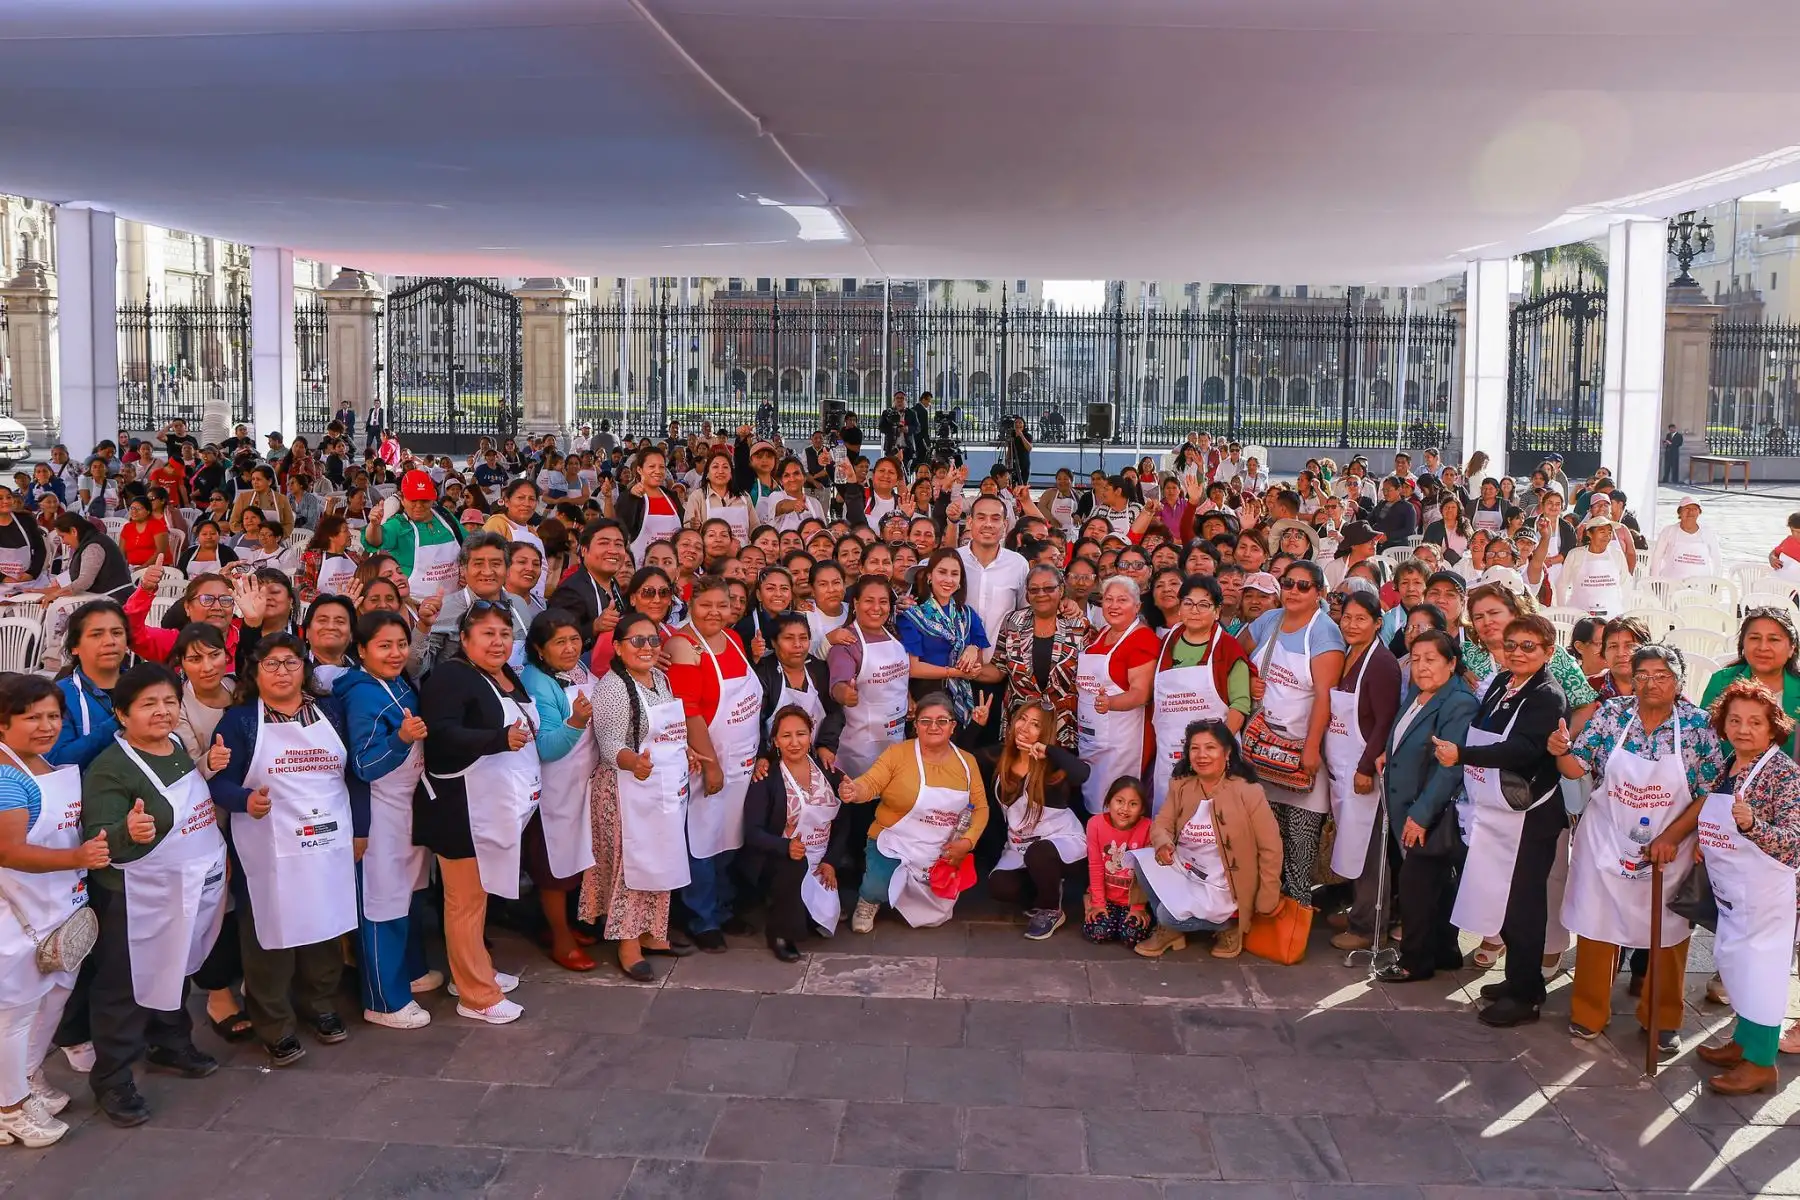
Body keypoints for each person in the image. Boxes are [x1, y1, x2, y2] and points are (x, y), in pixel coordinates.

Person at [1550, 644, 1724, 1054]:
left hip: (1669, 847)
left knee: (1668, 932)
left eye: (1662, 675)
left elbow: (1708, 793)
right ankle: (1589, 1011)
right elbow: (1578, 766)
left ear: (1679, 681)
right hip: (1606, 839)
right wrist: (1560, 752)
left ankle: (1662, 1018)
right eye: (1643, 674)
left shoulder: (1698, 726)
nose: (1650, 683)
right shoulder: (1613, 714)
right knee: (1597, 924)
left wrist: (1673, 837)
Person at [79, 663, 227, 1126]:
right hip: (134, 894)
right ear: (122, 714)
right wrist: (127, 831)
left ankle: (169, 1040)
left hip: (185, 885)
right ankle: (113, 1078)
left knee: (176, 964)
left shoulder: (178, 746)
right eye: (148, 705)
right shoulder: (111, 769)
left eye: (168, 702)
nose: (162, 712)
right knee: (124, 984)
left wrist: (208, 766)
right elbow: (100, 839)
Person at [206, 634, 362, 1066]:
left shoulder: (331, 711)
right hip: (269, 844)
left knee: (326, 926)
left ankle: (321, 1005)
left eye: (290, 663)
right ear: (255, 672)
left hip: (328, 839)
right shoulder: (238, 722)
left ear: (304, 668)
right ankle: (274, 1023)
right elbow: (219, 782)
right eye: (271, 665)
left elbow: (354, 775)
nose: (282, 672)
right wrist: (244, 800)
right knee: (268, 936)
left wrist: (361, 829)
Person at [1439, 612, 1569, 1027]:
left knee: (1524, 906)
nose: (1517, 653)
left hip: (1529, 817)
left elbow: (1524, 750)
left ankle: (1527, 995)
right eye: (1511, 645)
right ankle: (1518, 981)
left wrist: (1464, 756)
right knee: (1503, 899)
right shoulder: (1501, 683)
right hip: (1494, 810)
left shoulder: (1548, 696)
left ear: (1548, 652)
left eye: (1528, 646)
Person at [415, 602, 541, 1024]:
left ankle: (473, 970)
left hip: (496, 806)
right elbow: (443, 735)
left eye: (504, 634)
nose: (497, 641)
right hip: (459, 809)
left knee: (479, 895)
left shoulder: (505, 676)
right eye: (486, 634)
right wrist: (499, 738)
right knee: (465, 903)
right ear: (464, 640)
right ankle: (476, 995)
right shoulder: (451, 676)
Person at [0, 675, 105, 1146]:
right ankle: (8, 1108)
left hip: (60, 912)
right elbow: (9, 851)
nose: (46, 726)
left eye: (53, 716)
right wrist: (76, 858)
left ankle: (26, 1080)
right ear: (3, 725)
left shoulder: (41, 762)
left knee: (52, 1003)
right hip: (18, 918)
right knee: (16, 1014)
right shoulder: (5, 777)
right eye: (31, 717)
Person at [1688, 680, 1800, 1094]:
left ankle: (1760, 1064)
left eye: (1755, 722)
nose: (1743, 729)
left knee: (1762, 973)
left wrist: (1754, 826)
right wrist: (1706, 843)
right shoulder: (1731, 764)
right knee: (1734, 963)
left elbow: (1793, 840)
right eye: (1734, 720)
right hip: (1735, 894)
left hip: (1771, 896)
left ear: (1773, 728)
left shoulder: (1782, 774)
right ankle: (1743, 1042)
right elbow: (1719, 819)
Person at [334, 611, 437, 1031]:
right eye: (384, 645)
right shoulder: (360, 694)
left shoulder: (396, 683)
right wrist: (401, 740)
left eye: (400, 644)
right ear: (361, 650)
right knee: (383, 901)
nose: (395, 653)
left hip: (407, 806)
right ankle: (383, 998)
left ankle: (410, 973)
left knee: (409, 894)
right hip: (380, 811)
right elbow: (362, 763)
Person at [585, 609, 696, 980]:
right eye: (637, 641)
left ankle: (652, 932)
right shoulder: (612, 688)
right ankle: (627, 943)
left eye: (652, 640)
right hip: (624, 791)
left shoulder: (661, 679)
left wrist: (687, 751)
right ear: (617, 647)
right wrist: (633, 762)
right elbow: (609, 745)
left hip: (660, 787)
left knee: (659, 858)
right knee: (630, 866)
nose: (647, 647)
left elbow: (669, 730)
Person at [1368, 630, 1478, 982]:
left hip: (1430, 810)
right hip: (1408, 802)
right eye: (1415, 659)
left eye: (1431, 659)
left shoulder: (1458, 702)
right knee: (1437, 884)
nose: (1421, 666)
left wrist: (1420, 815)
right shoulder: (1420, 693)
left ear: (1451, 662)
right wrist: (1390, 751)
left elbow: (1450, 767)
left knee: (1417, 886)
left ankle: (1414, 961)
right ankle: (1445, 950)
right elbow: (1407, 733)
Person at [666, 576, 764, 951]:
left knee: (729, 839)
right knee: (702, 842)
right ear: (691, 604)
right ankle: (701, 918)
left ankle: (722, 907)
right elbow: (689, 713)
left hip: (742, 761)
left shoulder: (736, 641)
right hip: (707, 762)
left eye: (722, 605)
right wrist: (710, 765)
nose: (714, 612)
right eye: (706, 604)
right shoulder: (684, 645)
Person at [1132, 718, 1283, 959]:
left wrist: (1267, 895)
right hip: (1188, 871)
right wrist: (1163, 843)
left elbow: (1270, 847)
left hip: (1225, 885)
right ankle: (1173, 930)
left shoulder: (1249, 792)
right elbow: (1162, 822)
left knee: (1164, 914)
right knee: (1140, 861)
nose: (1202, 755)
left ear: (1227, 752)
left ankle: (1228, 926)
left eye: (1210, 747)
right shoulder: (1181, 785)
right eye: (1195, 748)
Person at [1241, 559, 1345, 903]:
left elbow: (1324, 698)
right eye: (1288, 583)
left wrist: (1312, 748)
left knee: (1300, 845)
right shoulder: (1269, 619)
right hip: (1262, 748)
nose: (1294, 591)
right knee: (1268, 846)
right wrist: (1247, 681)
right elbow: (1233, 656)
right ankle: (1266, 914)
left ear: (1319, 592)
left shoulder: (1324, 631)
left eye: (1304, 585)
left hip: (1301, 752)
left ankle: (1295, 921)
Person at [839, 691, 985, 932]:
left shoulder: (967, 762)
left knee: (935, 914)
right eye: (926, 721)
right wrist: (855, 790)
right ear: (916, 726)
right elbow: (871, 782)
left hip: (939, 849)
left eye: (942, 721)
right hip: (894, 842)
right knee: (877, 887)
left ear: (953, 726)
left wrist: (967, 843)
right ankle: (868, 899)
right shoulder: (899, 754)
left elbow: (981, 808)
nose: (934, 727)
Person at [518, 609, 600, 972]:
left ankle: (561, 926)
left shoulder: (580, 669)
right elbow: (547, 747)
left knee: (577, 858)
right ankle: (560, 938)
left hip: (585, 779)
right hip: (557, 787)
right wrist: (576, 721)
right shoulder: (538, 682)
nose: (569, 649)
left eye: (574, 639)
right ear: (539, 649)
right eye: (559, 643)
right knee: (554, 865)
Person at [1326, 591, 1404, 952]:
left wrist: (1364, 767)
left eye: (1361, 619)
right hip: (1341, 766)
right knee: (1352, 843)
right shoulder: (1348, 655)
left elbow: (1384, 721)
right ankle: (1357, 908)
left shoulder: (1382, 664)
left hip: (1363, 769)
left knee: (1371, 849)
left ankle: (1370, 925)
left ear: (1377, 623)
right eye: (1347, 617)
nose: (1351, 624)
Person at [741, 705, 847, 961]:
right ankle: (780, 934)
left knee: (822, 917)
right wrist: (784, 847)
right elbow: (752, 832)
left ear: (810, 735)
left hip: (819, 857)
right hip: (779, 858)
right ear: (775, 741)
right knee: (793, 869)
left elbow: (844, 822)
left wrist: (831, 861)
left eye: (801, 734)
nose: (794, 742)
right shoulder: (766, 778)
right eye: (786, 736)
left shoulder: (827, 771)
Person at [980, 702, 1090, 939]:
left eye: (1035, 724)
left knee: (1039, 854)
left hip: (1060, 844)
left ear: (1045, 732)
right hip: (1020, 846)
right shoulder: (1001, 757)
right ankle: (1045, 888)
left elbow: (1082, 774)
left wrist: (1048, 750)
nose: (1025, 727)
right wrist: (976, 726)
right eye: (1022, 719)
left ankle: (1051, 909)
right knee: (999, 886)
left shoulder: (1051, 766)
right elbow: (964, 757)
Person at [1148, 574, 1252, 814]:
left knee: (1212, 825)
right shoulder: (1167, 641)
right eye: (1188, 602)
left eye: (1204, 605)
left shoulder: (1227, 647)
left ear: (1216, 611)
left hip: (1214, 756)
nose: (1195, 610)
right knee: (1170, 820)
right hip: (1170, 754)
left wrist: (1215, 749)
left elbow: (1240, 705)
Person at [1076, 576, 1160, 814]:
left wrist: (1110, 703)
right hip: (1092, 739)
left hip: (1122, 743)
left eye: (1122, 600)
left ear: (1137, 606)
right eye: (1108, 599)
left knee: (1117, 805)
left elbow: (1141, 694)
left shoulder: (1142, 639)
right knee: (1093, 804)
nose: (1113, 606)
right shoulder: (1102, 633)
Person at [992, 565, 1090, 752]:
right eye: (1034, 589)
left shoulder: (1079, 624)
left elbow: (1089, 676)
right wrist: (964, 667)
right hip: (1020, 723)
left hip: (1063, 727)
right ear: (1027, 594)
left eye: (1048, 588)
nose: (1041, 594)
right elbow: (999, 667)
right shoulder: (1013, 621)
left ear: (1061, 589)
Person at [898, 548, 995, 737]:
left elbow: (977, 664)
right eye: (942, 572)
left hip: (961, 700)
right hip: (925, 699)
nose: (948, 579)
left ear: (960, 581)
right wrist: (956, 672)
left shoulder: (967, 615)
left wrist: (973, 649)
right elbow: (914, 668)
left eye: (954, 574)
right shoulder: (911, 616)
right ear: (929, 577)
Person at [1701, 606, 1800, 755]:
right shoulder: (1721, 681)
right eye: (1755, 638)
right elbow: (1703, 738)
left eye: (1773, 639)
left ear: (1792, 648)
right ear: (1743, 644)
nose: (1763, 647)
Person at [49, 599, 131, 769]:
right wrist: (119, 720)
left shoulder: (146, 688)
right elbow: (58, 761)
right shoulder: (59, 696)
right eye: (96, 634)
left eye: (117, 633)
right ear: (74, 647)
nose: (110, 641)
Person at [361, 470, 462, 601]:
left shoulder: (445, 516)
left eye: (424, 500)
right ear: (402, 499)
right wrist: (374, 525)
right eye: (413, 500)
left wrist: (467, 569)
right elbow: (375, 541)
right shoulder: (398, 524)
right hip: (416, 604)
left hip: (455, 602)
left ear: (433, 498)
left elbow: (470, 544)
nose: (419, 506)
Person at [1083, 777, 1153, 946]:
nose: (1124, 809)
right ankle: (1088, 898)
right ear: (1108, 802)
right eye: (1119, 801)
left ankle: (1133, 919)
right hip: (1106, 898)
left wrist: (1138, 907)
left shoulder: (1148, 828)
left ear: (1142, 808)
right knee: (1098, 933)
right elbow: (1096, 865)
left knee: (1132, 936)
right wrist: (1098, 904)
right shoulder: (1095, 824)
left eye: (1133, 804)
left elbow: (1146, 872)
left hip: (1133, 899)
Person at [1649, 498, 1721, 580]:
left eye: (1695, 509)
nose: (1691, 512)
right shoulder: (1669, 531)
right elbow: (1657, 557)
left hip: (1701, 586)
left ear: (1699, 512)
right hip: (1671, 584)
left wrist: (1715, 583)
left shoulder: (1708, 532)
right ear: (1679, 512)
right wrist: (1654, 581)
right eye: (1687, 509)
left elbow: (1717, 559)